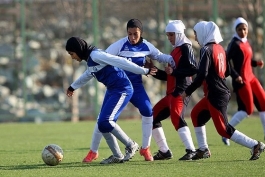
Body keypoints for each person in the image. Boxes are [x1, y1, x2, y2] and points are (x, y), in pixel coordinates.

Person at [82, 19, 176, 163]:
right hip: (119, 87)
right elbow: (103, 58)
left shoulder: (146, 46)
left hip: (136, 87)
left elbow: (159, 56)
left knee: (148, 111)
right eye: (129, 34)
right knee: (104, 118)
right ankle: (93, 151)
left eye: (135, 34)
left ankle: (145, 148)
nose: (132, 38)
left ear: (141, 33)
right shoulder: (119, 45)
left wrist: (173, 60)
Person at [65, 36, 158, 164]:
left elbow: (121, 62)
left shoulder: (96, 55)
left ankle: (131, 145)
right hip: (112, 90)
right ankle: (117, 155)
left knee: (105, 122)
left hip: (122, 89)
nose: (72, 57)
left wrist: (144, 70)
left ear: (78, 49)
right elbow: (88, 74)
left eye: (72, 53)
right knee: (102, 123)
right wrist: (72, 87)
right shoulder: (91, 60)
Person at [181, 21, 265, 160]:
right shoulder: (220, 48)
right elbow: (226, 72)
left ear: (203, 33)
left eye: (196, 34)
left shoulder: (206, 50)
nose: (195, 38)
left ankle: (255, 145)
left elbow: (202, 75)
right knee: (196, 114)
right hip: (215, 93)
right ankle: (203, 150)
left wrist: (187, 91)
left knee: (223, 130)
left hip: (216, 95)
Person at [149, 20, 198, 160]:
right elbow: (169, 76)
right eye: (167, 35)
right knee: (152, 117)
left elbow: (193, 69)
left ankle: (192, 150)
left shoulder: (185, 47)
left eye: (171, 35)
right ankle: (165, 151)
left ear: (178, 34)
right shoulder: (175, 50)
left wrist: (173, 72)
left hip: (181, 91)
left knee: (176, 117)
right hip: (171, 93)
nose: (169, 38)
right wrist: (153, 71)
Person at [222, 17, 265, 146]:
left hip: (251, 77)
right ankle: (226, 132)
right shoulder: (234, 43)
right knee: (247, 110)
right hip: (241, 79)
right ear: (236, 30)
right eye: (239, 29)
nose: (242, 31)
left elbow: (245, 60)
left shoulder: (246, 42)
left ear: (247, 29)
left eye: (244, 29)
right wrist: (235, 75)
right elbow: (227, 61)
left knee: (263, 103)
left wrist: (256, 63)